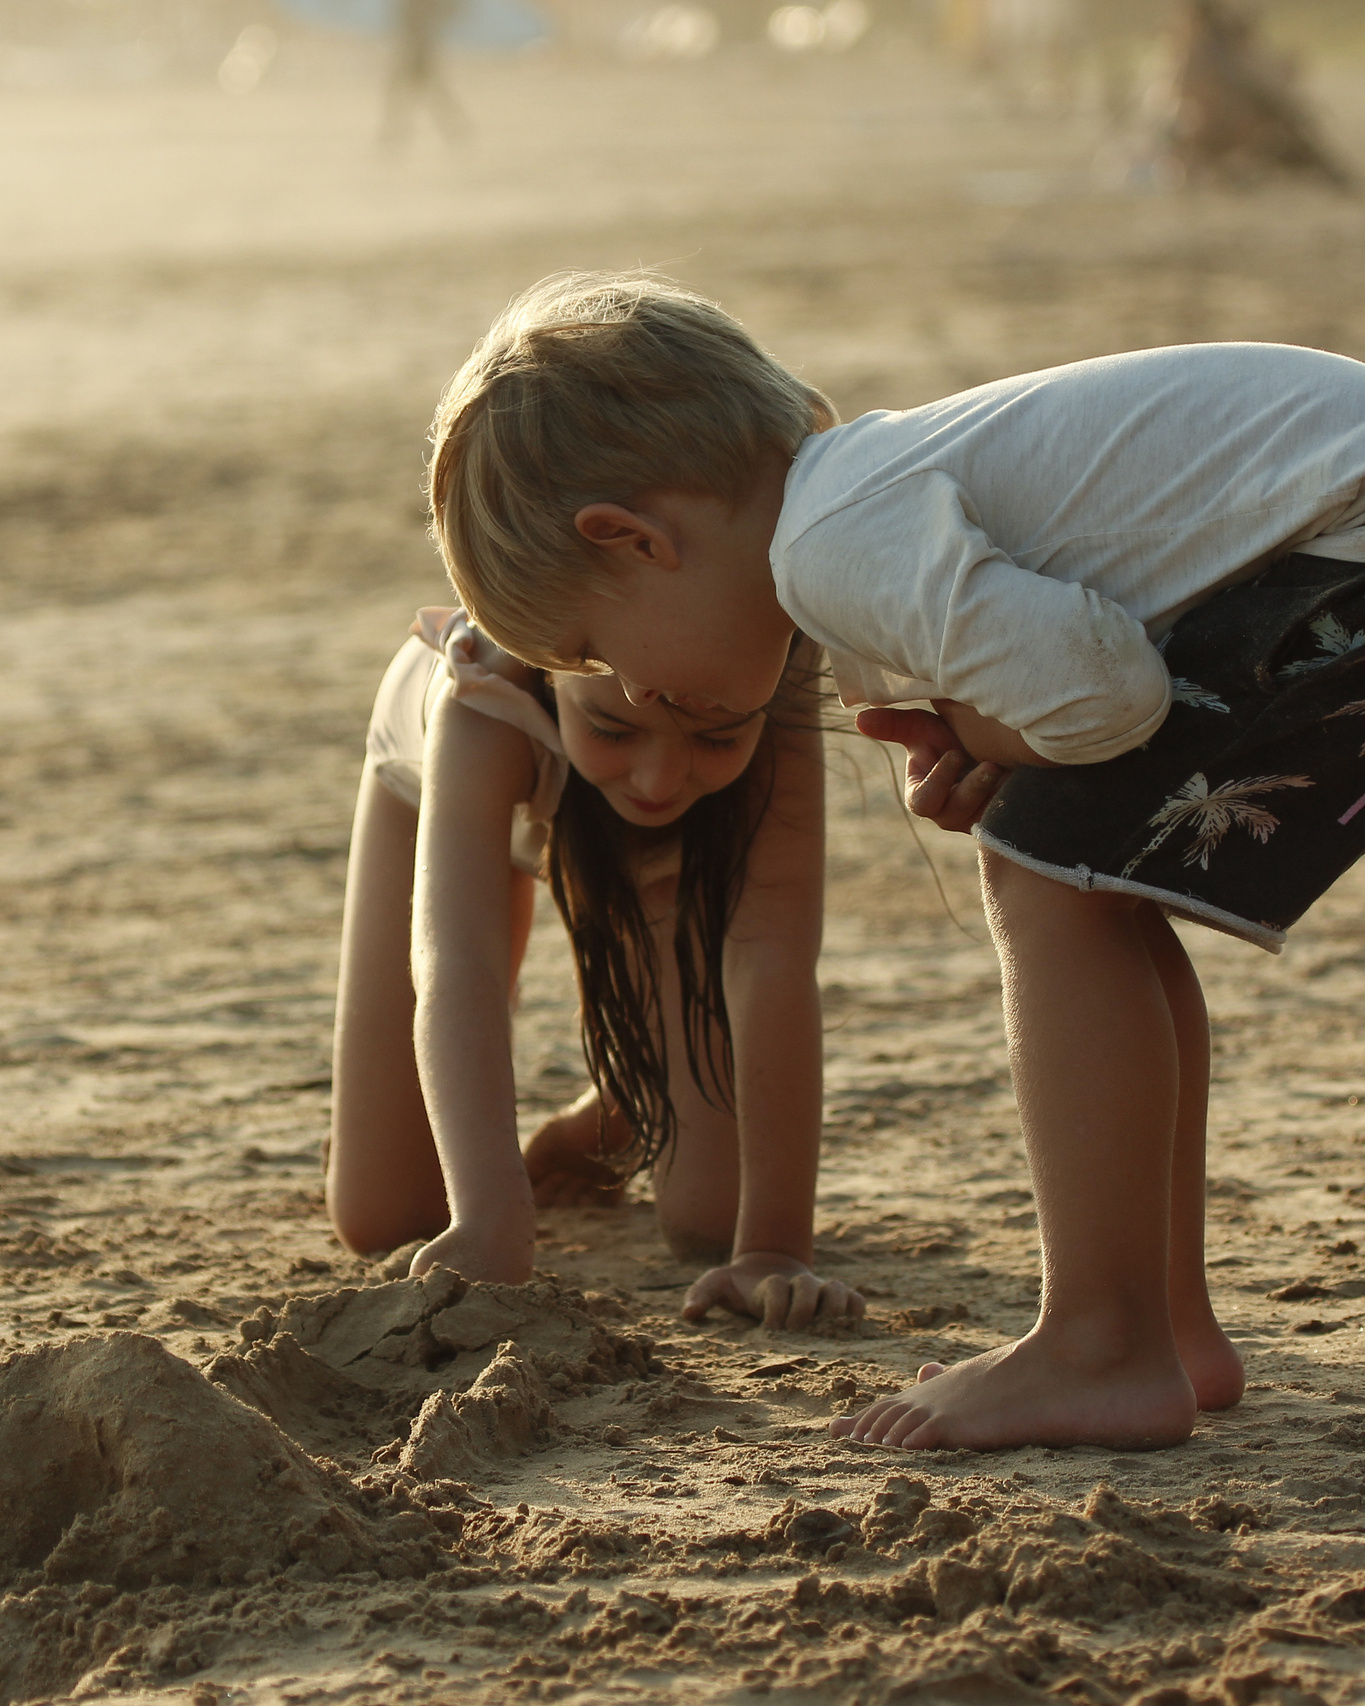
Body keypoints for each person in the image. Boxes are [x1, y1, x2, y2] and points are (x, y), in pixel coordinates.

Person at [426, 271, 1365, 1450]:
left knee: (1043, 875)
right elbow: (1090, 672)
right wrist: (997, 733)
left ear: (636, 541)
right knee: (1088, 884)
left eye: (596, 648)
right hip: (1329, 533)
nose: (631, 689)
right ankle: (1168, 1328)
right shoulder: (857, 499)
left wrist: (996, 737)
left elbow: (1107, 695)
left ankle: (1103, 1342)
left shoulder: (830, 542)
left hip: (1339, 547)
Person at [328, 605, 863, 1331]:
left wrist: (774, 1249)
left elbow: (773, 955)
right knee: (386, 1216)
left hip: (668, 843)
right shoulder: (484, 691)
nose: (657, 779)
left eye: (717, 736)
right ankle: (631, 1083)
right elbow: (460, 962)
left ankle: (614, 1109)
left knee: (714, 1218)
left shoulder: (773, 665)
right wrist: (490, 1216)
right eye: (614, 730)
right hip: (431, 782)